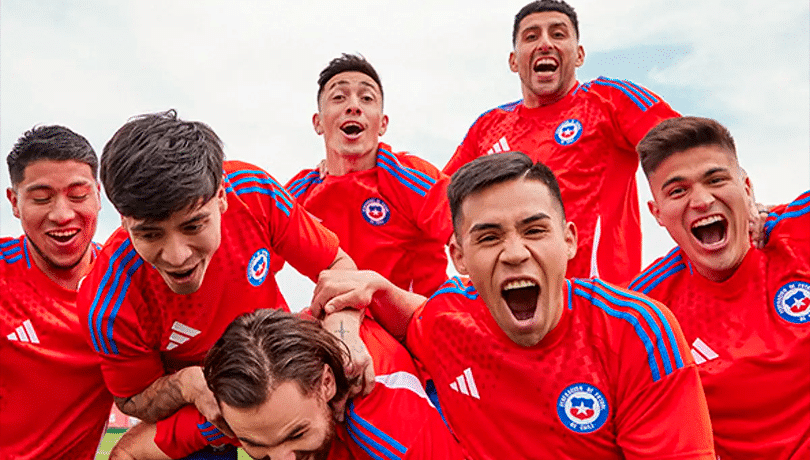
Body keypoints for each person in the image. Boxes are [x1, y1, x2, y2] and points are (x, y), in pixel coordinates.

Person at [315, 152, 715, 459]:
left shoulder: (636, 333)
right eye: (489, 237)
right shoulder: (447, 323)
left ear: (569, 239)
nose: (514, 252)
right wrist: (352, 313)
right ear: (459, 257)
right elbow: (402, 313)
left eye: (534, 230)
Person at [77, 110, 369, 459]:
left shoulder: (254, 193)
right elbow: (133, 398)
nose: (177, 256)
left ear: (221, 196)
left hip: (281, 371)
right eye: (150, 234)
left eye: (193, 226)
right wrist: (186, 384)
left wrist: (345, 333)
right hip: (209, 407)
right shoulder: (109, 299)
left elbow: (337, 265)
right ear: (124, 221)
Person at [442, 0, 679, 285]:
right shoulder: (488, 127)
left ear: (579, 55)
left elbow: (691, 148)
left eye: (558, 34)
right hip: (512, 300)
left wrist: (742, 203)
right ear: (514, 61)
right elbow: (438, 203)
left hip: (595, 301)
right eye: (531, 36)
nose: (544, 44)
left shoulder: (610, 101)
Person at [629, 116, 810, 459]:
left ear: (746, 188)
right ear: (657, 213)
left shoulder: (798, 236)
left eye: (715, 179)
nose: (701, 201)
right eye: (677, 191)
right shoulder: (647, 316)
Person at [189, 308, 463, 460]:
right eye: (255, 444)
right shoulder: (238, 411)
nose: (281, 458)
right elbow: (146, 443)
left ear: (327, 383)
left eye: (296, 434)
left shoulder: (395, 435)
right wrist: (183, 384)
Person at [283, 53, 452, 297]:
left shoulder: (410, 176)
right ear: (318, 122)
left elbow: (467, 234)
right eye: (339, 97)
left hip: (417, 320)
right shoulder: (302, 192)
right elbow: (250, 248)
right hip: (343, 318)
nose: (353, 106)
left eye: (366, 98)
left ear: (382, 124)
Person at [1, 125, 113, 458]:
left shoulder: (122, 285)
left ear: (98, 193)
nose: (62, 215)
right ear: (15, 202)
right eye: (41, 198)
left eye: (78, 195)